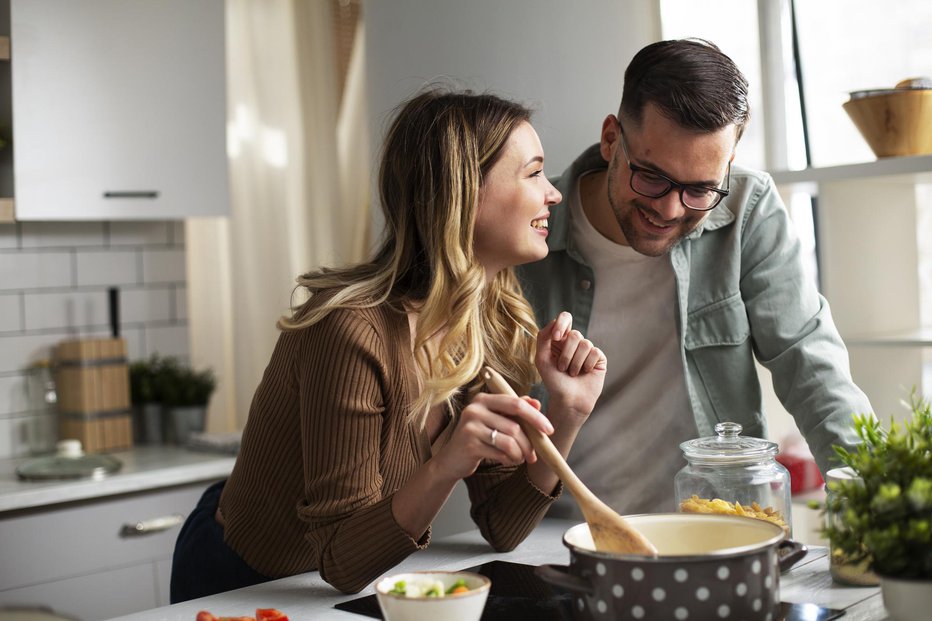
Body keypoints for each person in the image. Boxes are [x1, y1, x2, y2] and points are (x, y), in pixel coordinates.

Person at [170, 88, 607, 600]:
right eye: (533, 173)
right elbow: (340, 560)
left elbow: (503, 528)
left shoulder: (488, 321)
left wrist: (569, 413)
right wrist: (445, 464)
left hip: (335, 587)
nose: (553, 193)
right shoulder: (350, 330)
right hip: (242, 583)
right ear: (464, 193)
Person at [517, 39, 872, 519]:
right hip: (562, 537)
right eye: (651, 177)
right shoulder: (527, 226)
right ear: (610, 139)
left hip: (720, 526)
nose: (669, 210)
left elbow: (810, 362)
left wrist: (875, 501)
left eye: (700, 189)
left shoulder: (748, 206)